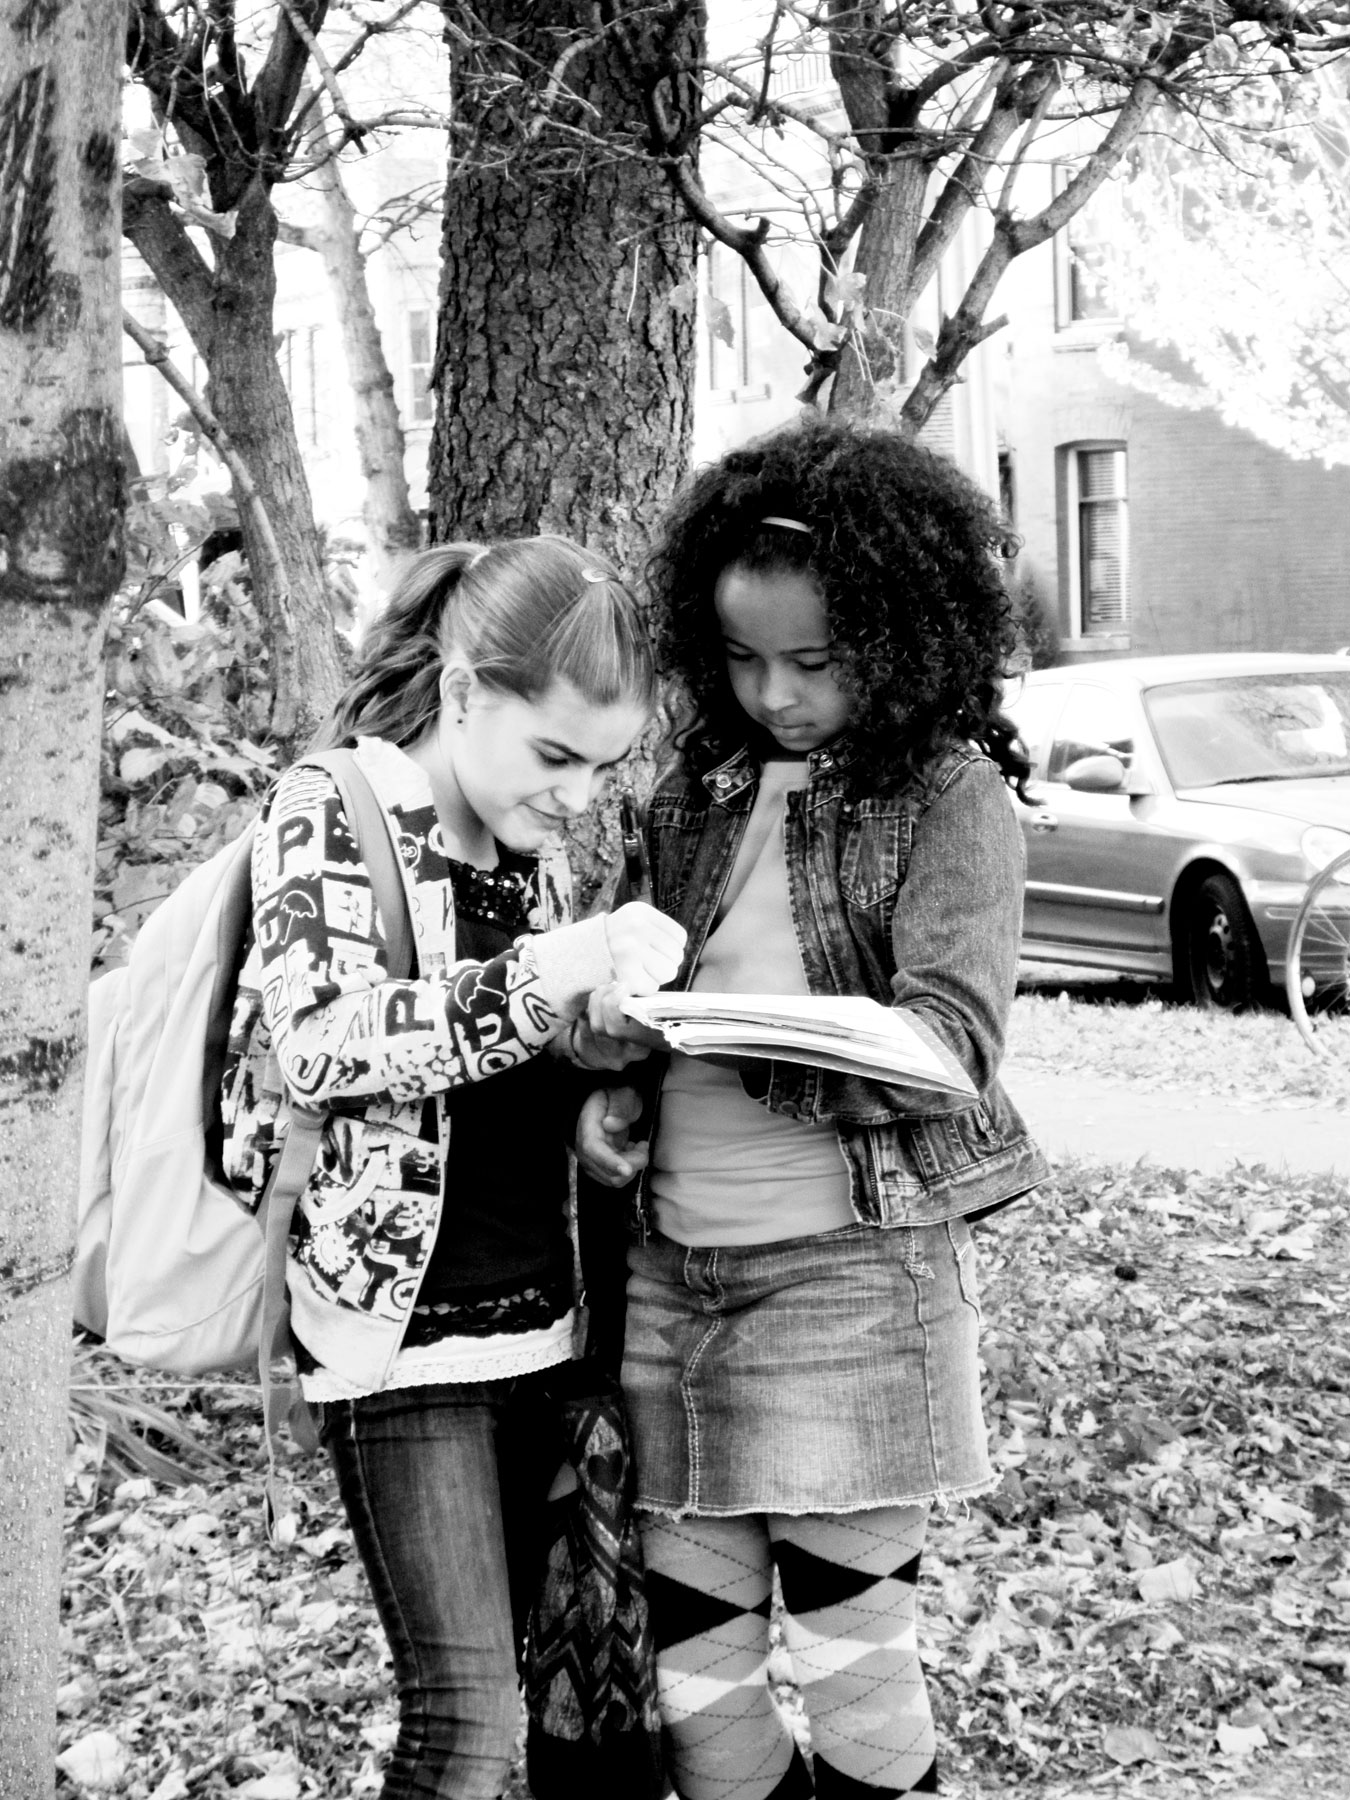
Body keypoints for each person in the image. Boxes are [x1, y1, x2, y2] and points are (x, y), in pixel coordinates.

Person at [575, 417, 1050, 1800]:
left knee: (853, 1669)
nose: (772, 694)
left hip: (850, 1281)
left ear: (899, 636)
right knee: (695, 1687)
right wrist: (611, 1078)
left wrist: (769, 1043)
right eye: (738, 659)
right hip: (673, 1281)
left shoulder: (950, 798)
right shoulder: (695, 797)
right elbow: (632, 988)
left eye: (812, 662)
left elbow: (952, 1038)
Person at [220, 538, 685, 1800]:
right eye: (556, 756)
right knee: (467, 1727)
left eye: (603, 766)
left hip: (543, 1330)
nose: (581, 797)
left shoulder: (532, 848)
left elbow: (498, 1073)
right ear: (469, 693)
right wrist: (549, 975)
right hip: (400, 1345)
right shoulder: (334, 804)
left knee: (565, 1723)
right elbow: (320, 1050)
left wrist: (592, 1089)